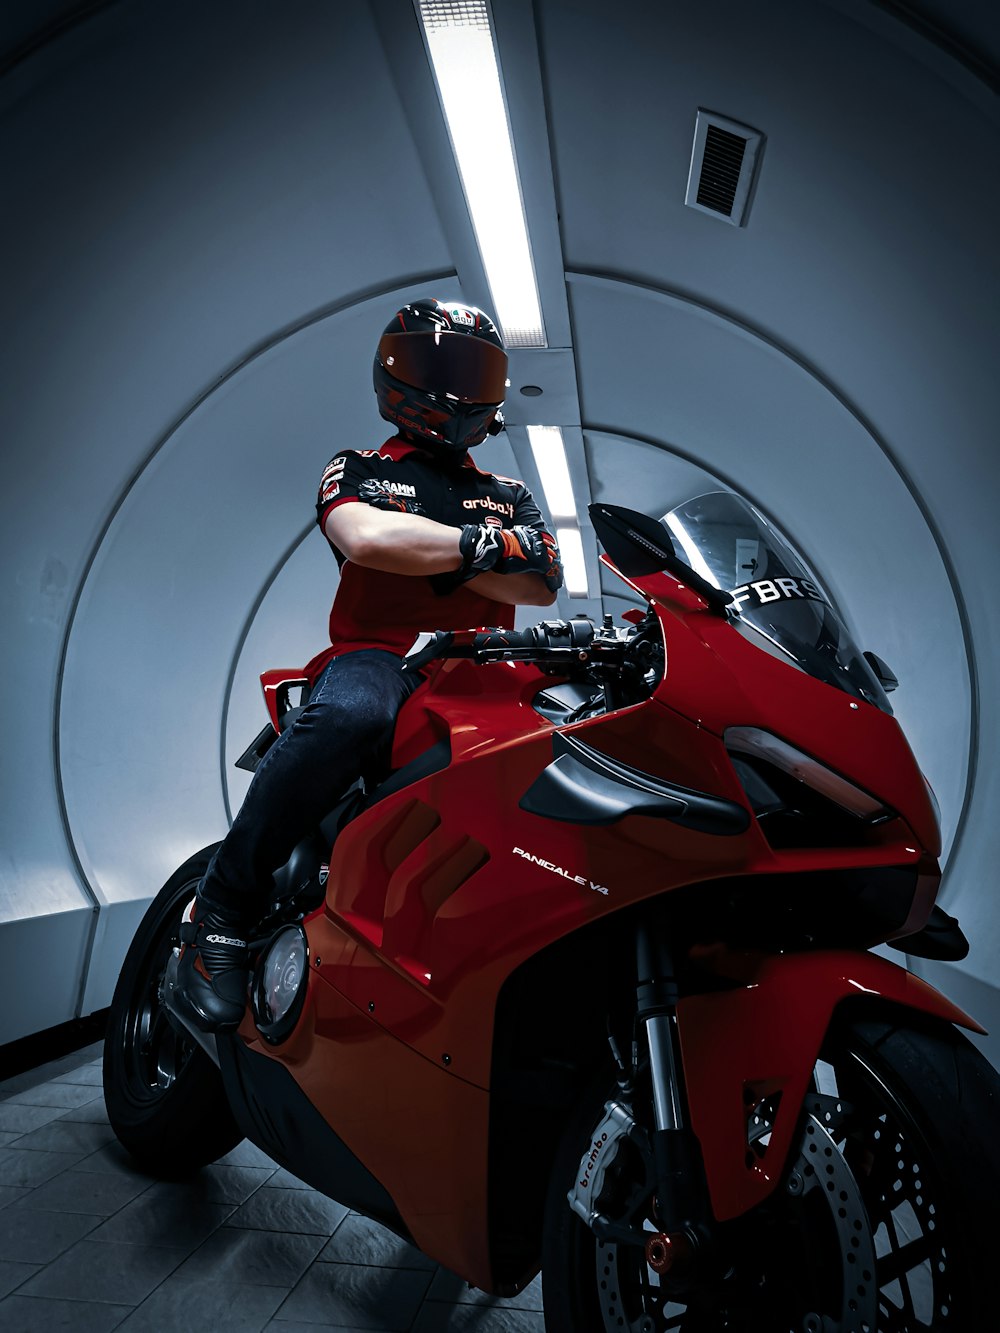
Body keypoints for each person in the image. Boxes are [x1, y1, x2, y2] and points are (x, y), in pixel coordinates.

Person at [174, 298, 564, 1032]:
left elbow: (542, 582)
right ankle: (223, 903)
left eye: (471, 372)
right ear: (393, 373)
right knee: (354, 710)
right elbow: (365, 538)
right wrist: (484, 549)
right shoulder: (357, 468)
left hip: (478, 673)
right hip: (375, 660)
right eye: (434, 366)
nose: (452, 389)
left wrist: (449, 548)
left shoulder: (509, 493)